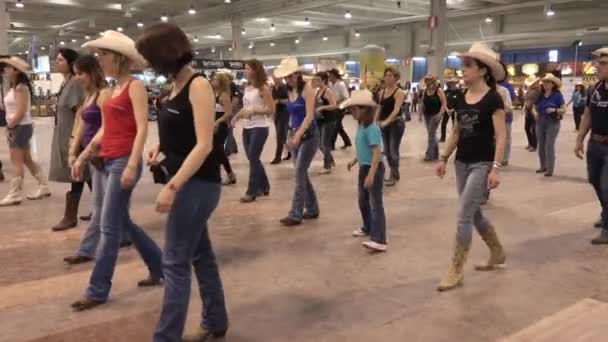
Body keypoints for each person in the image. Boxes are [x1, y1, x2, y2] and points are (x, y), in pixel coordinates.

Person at [136, 23, 229, 341]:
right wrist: (159, 148)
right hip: (185, 181)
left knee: (174, 262)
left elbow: (204, 144)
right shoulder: (174, 87)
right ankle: (216, 320)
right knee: (200, 255)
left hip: (197, 185)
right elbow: (181, 134)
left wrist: (172, 186)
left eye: (150, 58)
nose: (148, 65)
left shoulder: (198, 85)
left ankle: (166, 336)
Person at [70, 30, 163, 311]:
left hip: (124, 160)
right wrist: (82, 156)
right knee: (122, 222)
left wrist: (133, 163)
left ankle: (97, 290)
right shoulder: (108, 91)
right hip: (106, 159)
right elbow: (105, 129)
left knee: (109, 226)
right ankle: (160, 266)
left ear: (119, 58)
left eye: (104, 54)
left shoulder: (135, 87)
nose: (99, 59)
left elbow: (142, 127)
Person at [435, 42, 507, 292]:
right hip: (461, 163)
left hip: (482, 164)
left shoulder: (493, 99)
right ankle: (497, 252)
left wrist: (496, 168)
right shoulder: (460, 96)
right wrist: (444, 157)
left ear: (483, 70)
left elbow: (501, 136)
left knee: (464, 213)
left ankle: (456, 270)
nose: (462, 70)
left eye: (468, 66)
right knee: (474, 213)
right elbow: (456, 130)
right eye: (462, 65)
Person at [63, 55, 133, 265]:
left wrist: (83, 155)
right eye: (75, 74)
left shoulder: (104, 94)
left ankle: (87, 249)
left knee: (102, 207)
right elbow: (81, 125)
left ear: (92, 72)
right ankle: (126, 235)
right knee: (109, 206)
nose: (77, 78)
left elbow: (107, 127)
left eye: (80, 73)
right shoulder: (89, 96)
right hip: (96, 157)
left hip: (108, 154)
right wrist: (73, 151)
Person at [275, 57, 320, 226]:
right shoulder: (288, 90)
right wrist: (290, 136)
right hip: (295, 133)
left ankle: (295, 213)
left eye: (290, 76)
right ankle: (313, 208)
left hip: (309, 135)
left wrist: (298, 135)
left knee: (299, 172)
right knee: (301, 173)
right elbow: (292, 116)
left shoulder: (307, 89)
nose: (288, 79)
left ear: (298, 74)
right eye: (286, 76)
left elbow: (309, 116)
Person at [0, 57, 50, 206]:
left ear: (15, 70)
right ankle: (44, 185)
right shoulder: (13, 87)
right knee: (26, 159)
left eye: (8, 67)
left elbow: (21, 111)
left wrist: (9, 127)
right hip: (19, 126)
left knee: (16, 161)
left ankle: (15, 193)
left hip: (20, 126)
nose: (5, 70)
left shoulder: (21, 87)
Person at [49, 48, 90, 231]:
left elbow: (79, 113)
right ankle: (100, 209)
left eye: (59, 60)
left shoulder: (74, 83)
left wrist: (77, 138)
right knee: (85, 175)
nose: (55, 63)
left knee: (79, 174)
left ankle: (70, 216)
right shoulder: (67, 82)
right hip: (68, 134)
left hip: (76, 136)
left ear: (70, 63)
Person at [345, 90, 387, 252]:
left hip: (373, 169)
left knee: (375, 203)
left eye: (354, 110)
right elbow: (363, 148)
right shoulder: (362, 125)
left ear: (364, 109)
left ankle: (380, 239)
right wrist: (355, 160)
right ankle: (368, 227)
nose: (352, 113)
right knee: (363, 201)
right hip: (364, 167)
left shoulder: (372, 128)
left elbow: (376, 153)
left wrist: (371, 174)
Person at [575, 47, 608, 244]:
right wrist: (579, 139)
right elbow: (587, 114)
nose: (597, 67)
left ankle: (607, 227)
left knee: (607, 186)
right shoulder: (595, 89)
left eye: (603, 64)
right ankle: (606, 211)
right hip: (594, 143)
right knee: (594, 180)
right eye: (598, 63)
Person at [232, 59, 274, 203]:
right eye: (245, 68)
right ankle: (265, 186)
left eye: (248, 68)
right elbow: (245, 106)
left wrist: (255, 110)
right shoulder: (247, 87)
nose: (246, 71)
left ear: (256, 70)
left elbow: (270, 109)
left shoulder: (263, 88)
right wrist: (236, 117)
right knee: (252, 158)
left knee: (254, 159)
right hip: (247, 127)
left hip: (260, 127)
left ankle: (252, 191)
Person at [377, 66, 405, 186]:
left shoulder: (398, 92)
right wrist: (376, 120)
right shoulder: (382, 92)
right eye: (386, 75)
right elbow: (379, 108)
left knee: (393, 151)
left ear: (396, 78)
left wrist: (387, 121)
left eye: (390, 76)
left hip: (396, 124)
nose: (387, 78)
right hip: (384, 125)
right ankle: (395, 173)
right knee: (387, 152)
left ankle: (393, 175)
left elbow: (396, 110)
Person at [534, 74, 565, 177]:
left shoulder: (557, 95)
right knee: (541, 146)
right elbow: (533, 107)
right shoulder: (540, 95)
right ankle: (543, 166)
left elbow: (563, 109)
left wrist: (554, 110)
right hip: (540, 122)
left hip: (553, 122)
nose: (545, 84)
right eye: (544, 82)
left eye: (548, 82)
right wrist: (535, 113)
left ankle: (550, 169)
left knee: (549, 145)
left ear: (553, 84)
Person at [211, 71, 237, 185]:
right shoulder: (214, 94)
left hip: (221, 127)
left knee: (218, 150)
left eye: (215, 79)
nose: (213, 81)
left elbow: (229, 112)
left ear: (221, 82)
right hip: (212, 125)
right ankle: (228, 174)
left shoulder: (224, 95)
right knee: (215, 151)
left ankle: (229, 174)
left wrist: (217, 121)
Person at [312, 71, 339, 174]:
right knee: (320, 144)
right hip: (320, 120)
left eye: (318, 79)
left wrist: (323, 107)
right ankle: (330, 160)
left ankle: (327, 166)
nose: (316, 81)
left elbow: (334, 105)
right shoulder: (318, 91)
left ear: (324, 80)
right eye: (315, 79)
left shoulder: (327, 91)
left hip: (329, 120)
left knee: (324, 144)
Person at [421, 74, 447, 162]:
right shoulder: (425, 91)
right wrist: (420, 114)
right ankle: (436, 154)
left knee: (431, 134)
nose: (428, 82)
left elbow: (444, 103)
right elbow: (422, 103)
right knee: (431, 134)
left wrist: (440, 114)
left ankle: (429, 155)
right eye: (427, 80)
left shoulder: (438, 90)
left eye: (430, 80)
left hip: (436, 115)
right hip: (427, 115)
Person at [328, 68, 352, 150]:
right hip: (334, 107)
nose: (329, 78)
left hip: (341, 107)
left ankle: (331, 145)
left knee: (336, 126)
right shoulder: (330, 84)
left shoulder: (341, 84)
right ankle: (347, 142)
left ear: (334, 76)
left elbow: (346, 97)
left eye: (330, 76)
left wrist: (337, 101)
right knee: (339, 126)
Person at [497, 64, 514, 167]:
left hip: (506, 118)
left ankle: (505, 158)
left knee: (506, 138)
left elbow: (510, 105)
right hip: (494, 119)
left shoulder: (506, 88)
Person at [271, 76, 290, 164]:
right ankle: (289, 152)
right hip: (277, 114)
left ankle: (277, 157)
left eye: (276, 77)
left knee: (280, 136)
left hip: (284, 113)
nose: (274, 79)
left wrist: (279, 101)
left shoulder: (284, 87)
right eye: (273, 77)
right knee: (283, 136)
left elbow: (289, 100)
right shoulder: (274, 88)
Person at [441, 79, 462, 143]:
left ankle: (456, 138)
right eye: (451, 83)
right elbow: (443, 101)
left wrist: (453, 109)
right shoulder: (446, 92)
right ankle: (442, 138)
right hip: (447, 110)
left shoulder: (459, 92)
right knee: (443, 124)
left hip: (455, 111)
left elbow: (461, 102)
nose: (452, 84)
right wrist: (447, 109)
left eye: (453, 83)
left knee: (455, 125)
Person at [524, 77, 540, 152]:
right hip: (528, 110)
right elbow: (527, 99)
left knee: (533, 128)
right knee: (527, 127)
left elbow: (537, 101)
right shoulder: (529, 90)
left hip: (534, 110)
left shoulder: (539, 90)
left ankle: (534, 145)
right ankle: (530, 143)